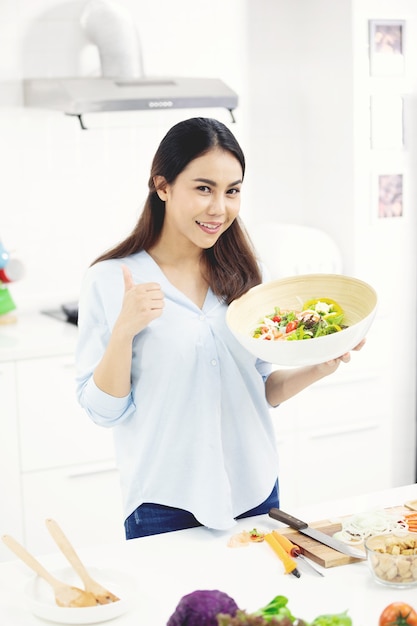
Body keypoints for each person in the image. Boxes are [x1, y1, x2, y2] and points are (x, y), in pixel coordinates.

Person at [75, 117, 364, 539]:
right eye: (203, 188)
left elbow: (264, 388)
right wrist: (124, 331)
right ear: (163, 186)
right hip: (163, 501)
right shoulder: (111, 279)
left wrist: (322, 365)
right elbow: (103, 411)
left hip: (254, 492)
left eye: (233, 191)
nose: (219, 208)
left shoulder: (247, 273)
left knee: (262, 607)